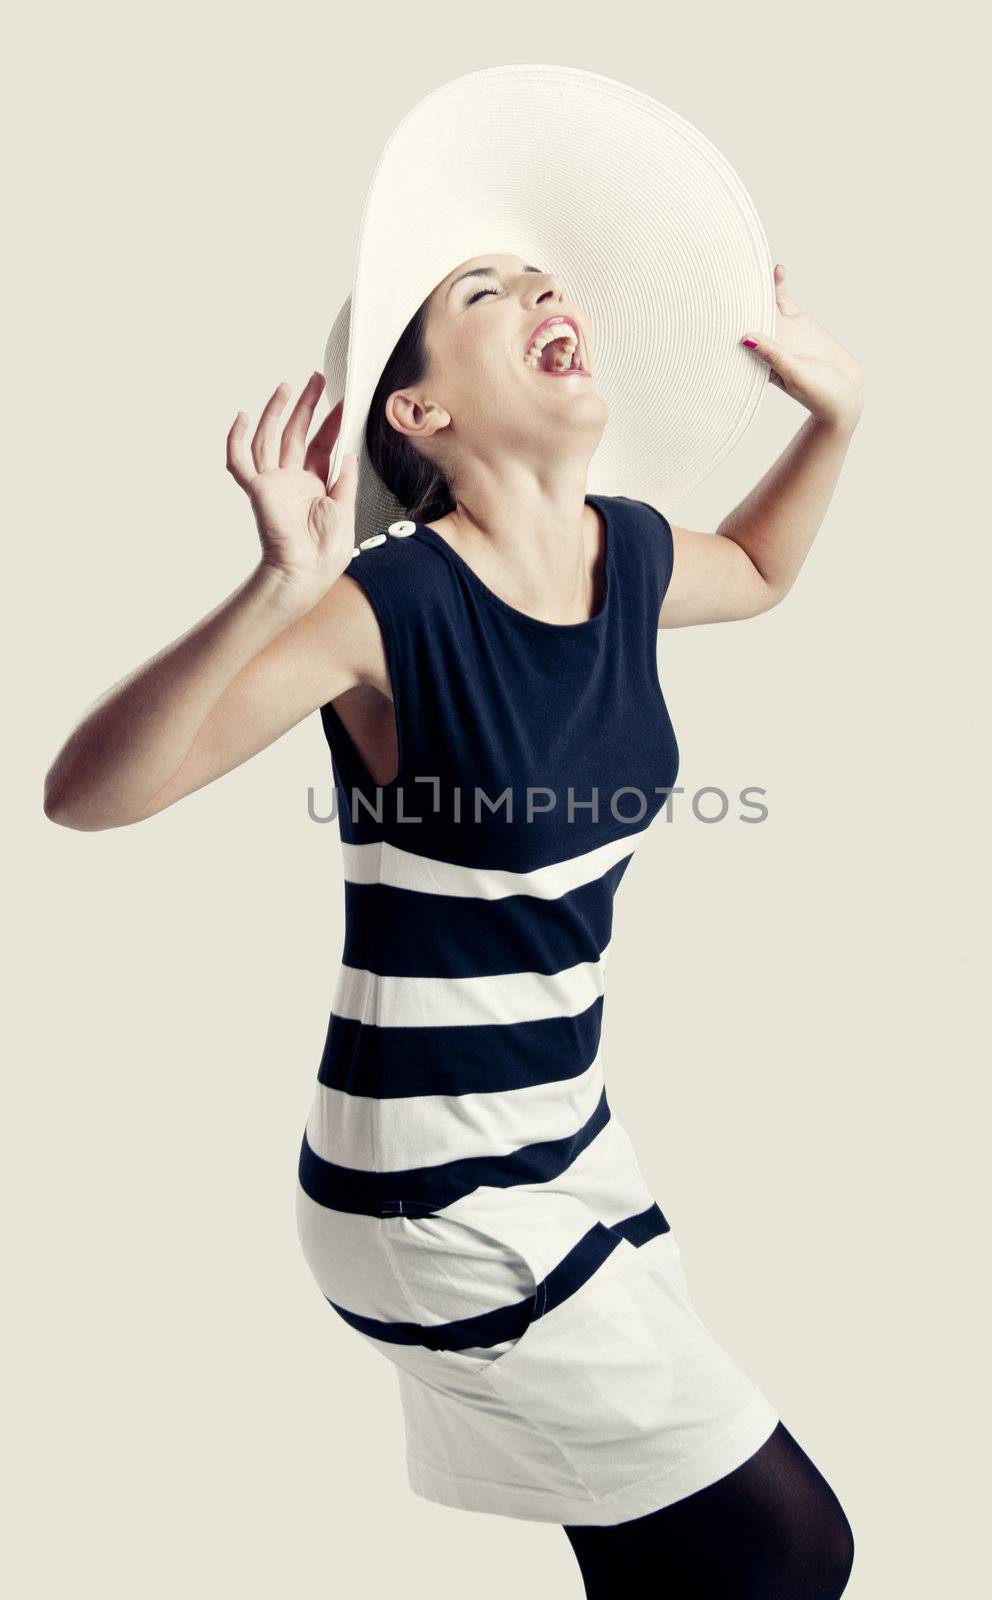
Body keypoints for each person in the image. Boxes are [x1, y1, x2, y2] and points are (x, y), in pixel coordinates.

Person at [44, 248, 862, 1596]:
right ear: (418, 413)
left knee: (667, 1554)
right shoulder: (393, 604)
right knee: (788, 1545)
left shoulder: (632, 554)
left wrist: (835, 416)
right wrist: (277, 586)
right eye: (487, 295)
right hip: (433, 1185)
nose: (547, 298)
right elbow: (91, 797)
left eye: (548, 281)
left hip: (569, 1142)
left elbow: (766, 568)